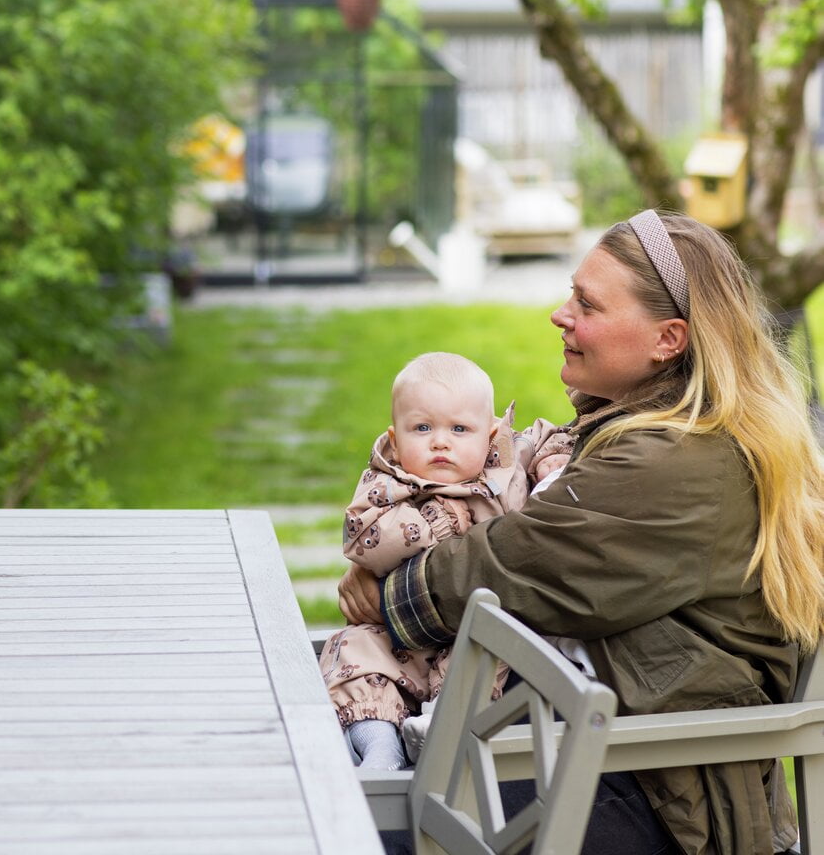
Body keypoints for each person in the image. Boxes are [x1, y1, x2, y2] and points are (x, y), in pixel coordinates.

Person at [339, 210, 824, 854]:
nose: (560, 315)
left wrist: (388, 593)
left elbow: (509, 567)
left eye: (587, 303)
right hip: (592, 742)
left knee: (357, 825)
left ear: (668, 340)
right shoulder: (664, 430)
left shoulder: (673, 464)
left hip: (658, 795)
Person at [322, 352, 570, 770]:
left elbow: (551, 433)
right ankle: (378, 745)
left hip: (470, 627)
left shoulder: (506, 461)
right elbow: (362, 537)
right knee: (355, 649)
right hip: (398, 635)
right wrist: (441, 518)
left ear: (490, 434)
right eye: (421, 428)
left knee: (489, 649)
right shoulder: (389, 482)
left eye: (459, 429)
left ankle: (441, 725)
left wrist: (552, 457)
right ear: (395, 440)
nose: (440, 441)